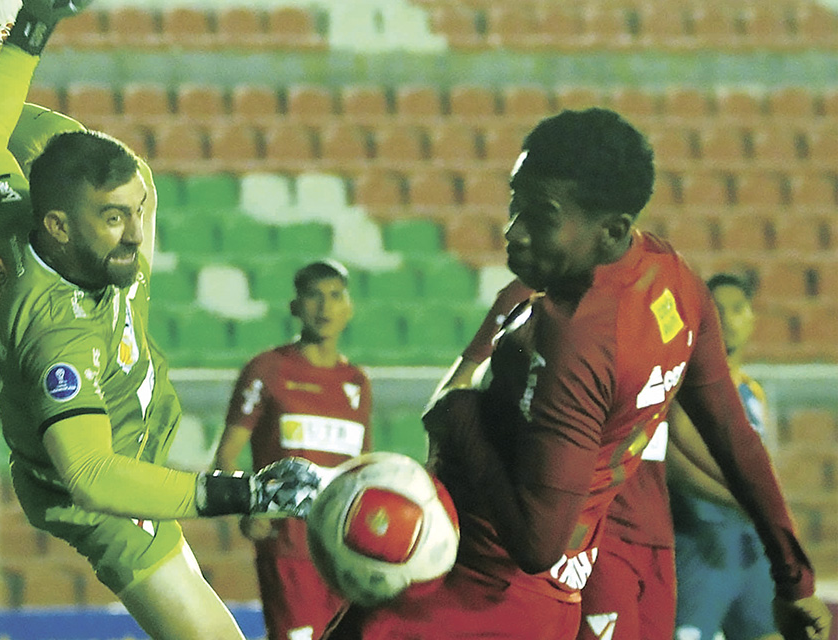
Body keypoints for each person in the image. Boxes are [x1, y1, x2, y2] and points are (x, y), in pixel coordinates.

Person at [323, 108, 829, 640]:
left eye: (539, 216)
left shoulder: (577, 338)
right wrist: (794, 579)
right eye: (514, 204)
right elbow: (734, 438)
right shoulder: (673, 279)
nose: (513, 233)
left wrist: (460, 417)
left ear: (611, 230)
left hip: (476, 594)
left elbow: (537, 543)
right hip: (553, 598)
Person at [0, 2, 321, 638]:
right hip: (107, 493)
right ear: (57, 227)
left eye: (135, 214)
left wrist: (33, 28)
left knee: (112, 163)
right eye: (115, 219)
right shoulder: (56, 338)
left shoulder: (11, 209)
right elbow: (90, 475)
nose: (139, 235)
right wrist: (240, 493)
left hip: (126, 431)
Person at [436, 277, 680, 640]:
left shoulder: (655, 302)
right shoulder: (524, 300)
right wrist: (460, 421)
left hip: (644, 531)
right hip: (586, 533)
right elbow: (455, 391)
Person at [212, 259, 373, 640]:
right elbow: (225, 455)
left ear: (349, 307)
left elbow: (362, 469)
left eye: (335, 296)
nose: (325, 307)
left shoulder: (357, 383)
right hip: (288, 550)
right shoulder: (267, 370)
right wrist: (249, 506)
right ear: (295, 307)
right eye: (314, 296)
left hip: (343, 549)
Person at [669, 272, 784, 640]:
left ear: (752, 317)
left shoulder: (751, 390)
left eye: (738, 309)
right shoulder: (686, 384)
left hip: (750, 541)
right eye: (718, 310)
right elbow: (675, 465)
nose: (729, 320)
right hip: (700, 539)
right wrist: (739, 499)